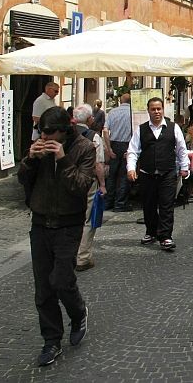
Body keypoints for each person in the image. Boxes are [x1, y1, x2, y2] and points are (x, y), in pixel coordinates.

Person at [17, 106, 95, 367]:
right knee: (43, 289)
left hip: (68, 223)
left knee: (61, 280)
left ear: (65, 130)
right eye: (42, 132)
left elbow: (81, 186)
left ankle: (78, 311)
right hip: (40, 222)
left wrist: (62, 159)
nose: (46, 137)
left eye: (51, 132)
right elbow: (22, 180)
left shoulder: (84, 148)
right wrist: (30, 159)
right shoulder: (39, 146)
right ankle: (51, 340)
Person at [126, 97, 189, 251]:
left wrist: (184, 166)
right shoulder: (140, 130)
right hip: (147, 173)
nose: (156, 112)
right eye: (153, 109)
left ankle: (166, 236)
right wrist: (131, 168)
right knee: (148, 205)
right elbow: (133, 151)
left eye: (159, 109)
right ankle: (151, 231)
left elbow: (181, 149)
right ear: (148, 111)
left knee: (167, 205)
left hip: (167, 172)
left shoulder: (173, 128)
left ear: (163, 110)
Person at [73, 104, 107, 273]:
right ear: (89, 119)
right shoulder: (93, 137)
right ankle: (82, 257)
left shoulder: (66, 134)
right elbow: (98, 164)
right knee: (86, 219)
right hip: (87, 182)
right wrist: (102, 185)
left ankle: (69, 254)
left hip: (67, 181)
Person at [102, 93, 132, 212]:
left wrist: (109, 148)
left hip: (114, 143)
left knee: (112, 175)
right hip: (127, 144)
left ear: (120, 100)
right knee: (124, 175)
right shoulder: (132, 113)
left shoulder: (113, 112)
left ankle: (108, 202)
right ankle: (120, 203)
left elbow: (105, 130)